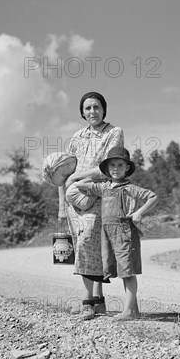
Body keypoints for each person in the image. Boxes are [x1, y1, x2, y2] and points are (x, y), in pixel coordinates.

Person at [60, 92, 124, 320]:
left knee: (89, 242)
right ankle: (97, 301)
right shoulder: (76, 137)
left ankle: (87, 302)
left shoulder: (114, 133)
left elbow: (108, 167)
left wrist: (78, 178)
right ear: (82, 112)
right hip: (74, 199)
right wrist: (61, 203)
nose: (92, 112)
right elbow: (64, 172)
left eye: (96, 107)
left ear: (104, 109)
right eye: (87, 108)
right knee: (84, 247)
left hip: (98, 195)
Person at [76, 147, 158, 320]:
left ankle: (129, 310)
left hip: (124, 232)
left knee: (127, 271)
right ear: (107, 168)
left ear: (127, 168)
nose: (116, 168)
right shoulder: (104, 187)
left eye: (120, 165)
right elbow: (79, 185)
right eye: (111, 165)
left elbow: (152, 197)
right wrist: (98, 175)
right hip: (108, 234)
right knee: (121, 270)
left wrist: (139, 213)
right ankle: (132, 310)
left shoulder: (130, 188)